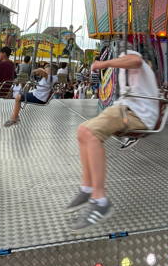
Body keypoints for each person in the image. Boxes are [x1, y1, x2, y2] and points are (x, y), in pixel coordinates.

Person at [65, 49, 159, 231]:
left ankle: (100, 200)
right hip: (125, 109)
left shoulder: (135, 60)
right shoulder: (132, 75)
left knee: (91, 134)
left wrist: (105, 64)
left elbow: (135, 60)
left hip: (135, 113)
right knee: (82, 131)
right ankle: (87, 188)